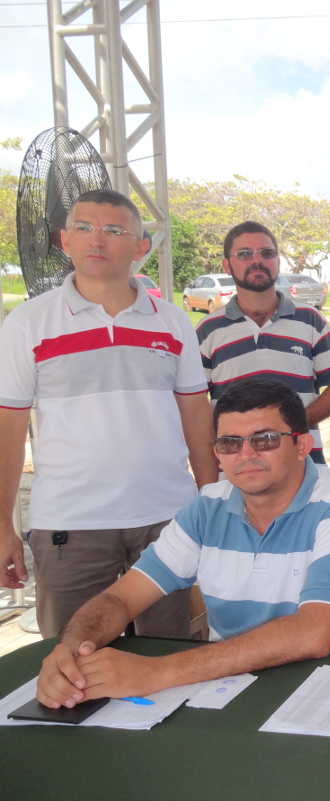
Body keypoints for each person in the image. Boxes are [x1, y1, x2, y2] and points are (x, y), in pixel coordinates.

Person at [35, 378, 330, 709]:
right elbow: (121, 598)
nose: (246, 454)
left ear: (302, 445)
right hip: (223, 685)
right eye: (230, 443)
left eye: (265, 439)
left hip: (320, 689)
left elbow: (312, 634)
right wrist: (72, 650)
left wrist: (156, 671)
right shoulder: (207, 506)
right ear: (217, 453)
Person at [0, 189, 218, 638]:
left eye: (114, 231)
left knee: (168, 655)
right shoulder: (28, 323)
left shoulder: (173, 322)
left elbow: (197, 417)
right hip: (69, 525)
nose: (96, 240)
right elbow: (9, 427)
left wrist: (211, 503)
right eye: (84, 227)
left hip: (167, 520)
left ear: (141, 247)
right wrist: (3, 526)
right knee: (71, 660)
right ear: (65, 240)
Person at [196, 221, 330, 465]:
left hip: (303, 464)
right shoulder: (207, 330)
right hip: (235, 471)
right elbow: (195, 407)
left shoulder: (310, 320)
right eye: (244, 254)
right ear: (227, 265)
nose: (257, 261)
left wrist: (292, 426)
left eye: (267, 253)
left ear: (278, 262)